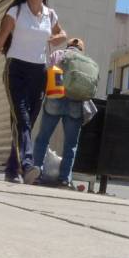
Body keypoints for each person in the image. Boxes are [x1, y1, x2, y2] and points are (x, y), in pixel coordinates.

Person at [0, 0, 67, 183]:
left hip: (39, 73)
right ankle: (27, 165)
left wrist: (57, 38)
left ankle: (12, 170)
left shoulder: (50, 14)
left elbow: (63, 34)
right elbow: (0, 41)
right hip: (16, 70)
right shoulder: (15, 11)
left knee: (23, 123)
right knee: (23, 120)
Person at [32, 37, 92, 189]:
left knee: (43, 138)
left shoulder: (58, 54)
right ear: (81, 50)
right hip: (76, 104)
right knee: (71, 144)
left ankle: (37, 173)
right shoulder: (86, 61)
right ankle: (64, 179)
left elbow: (48, 73)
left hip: (55, 99)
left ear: (68, 46)